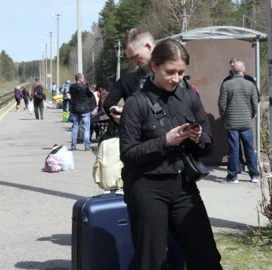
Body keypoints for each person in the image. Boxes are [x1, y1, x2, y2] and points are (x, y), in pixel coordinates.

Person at [120, 39, 222, 269]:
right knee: (153, 262)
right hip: (146, 188)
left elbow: (207, 145)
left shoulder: (189, 97)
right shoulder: (136, 103)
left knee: (207, 257)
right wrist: (165, 141)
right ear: (154, 66)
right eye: (170, 72)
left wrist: (197, 138)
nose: (176, 78)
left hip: (183, 187)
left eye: (180, 72)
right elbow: (128, 153)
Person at [103, 28, 185, 269]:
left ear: (149, 48)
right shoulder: (133, 80)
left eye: (134, 56)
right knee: (151, 247)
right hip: (143, 170)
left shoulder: (175, 78)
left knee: (180, 243)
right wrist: (124, 116)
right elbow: (109, 104)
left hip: (175, 172)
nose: (133, 61)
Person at [218, 60, 260, 183]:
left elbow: (221, 104)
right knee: (250, 149)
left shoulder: (226, 84)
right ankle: (254, 175)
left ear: (232, 71)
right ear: (243, 70)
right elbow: (255, 104)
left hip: (231, 123)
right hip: (246, 122)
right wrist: (250, 116)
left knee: (233, 150)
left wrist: (224, 117)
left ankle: (233, 176)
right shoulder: (250, 85)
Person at [69, 73, 93, 151]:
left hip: (75, 110)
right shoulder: (85, 87)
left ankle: (73, 146)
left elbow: (71, 95)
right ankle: (86, 146)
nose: (84, 79)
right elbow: (90, 95)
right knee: (86, 128)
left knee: (75, 127)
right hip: (85, 110)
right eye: (83, 78)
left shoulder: (71, 87)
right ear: (80, 79)